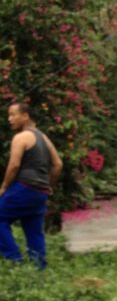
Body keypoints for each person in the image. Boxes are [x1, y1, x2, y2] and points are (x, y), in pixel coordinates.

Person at [0, 101, 62, 268]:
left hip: (24, 187)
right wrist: (48, 185)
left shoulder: (20, 137)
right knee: (33, 229)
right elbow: (58, 164)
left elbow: (14, 165)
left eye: (13, 115)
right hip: (40, 192)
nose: (9, 119)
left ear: (25, 116)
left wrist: (3, 187)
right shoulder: (43, 137)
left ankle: (14, 260)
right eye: (8, 115)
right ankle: (39, 267)